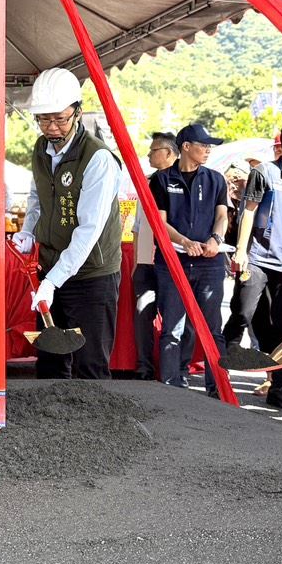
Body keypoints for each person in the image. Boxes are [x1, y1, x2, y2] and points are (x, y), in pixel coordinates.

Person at [11, 68, 121, 380]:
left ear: (77, 112)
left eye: (60, 119)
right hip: (51, 266)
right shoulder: (40, 149)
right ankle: (52, 414)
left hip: (91, 274)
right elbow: (37, 195)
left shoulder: (98, 158)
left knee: (89, 363)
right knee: (50, 359)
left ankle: (96, 414)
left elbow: (89, 229)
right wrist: (28, 231)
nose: (52, 127)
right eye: (44, 119)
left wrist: (53, 281)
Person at [229, 120, 282, 411]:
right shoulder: (264, 172)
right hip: (259, 258)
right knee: (243, 313)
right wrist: (241, 251)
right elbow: (248, 212)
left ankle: (281, 387)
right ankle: (219, 375)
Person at [151, 122, 231, 395]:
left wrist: (215, 240)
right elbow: (159, 223)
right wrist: (185, 242)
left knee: (212, 329)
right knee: (172, 328)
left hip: (210, 263)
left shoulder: (216, 179)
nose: (208, 150)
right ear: (186, 147)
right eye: (203, 145)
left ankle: (218, 388)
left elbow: (222, 216)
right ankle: (171, 388)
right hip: (173, 262)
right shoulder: (161, 179)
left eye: (209, 147)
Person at [131, 131, 177, 380]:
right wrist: (137, 262)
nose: (148, 155)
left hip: (173, 260)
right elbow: (137, 226)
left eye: (153, 150)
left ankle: (173, 370)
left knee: (173, 317)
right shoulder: (146, 183)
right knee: (142, 315)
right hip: (145, 260)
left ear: (168, 153)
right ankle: (144, 367)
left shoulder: (181, 182)